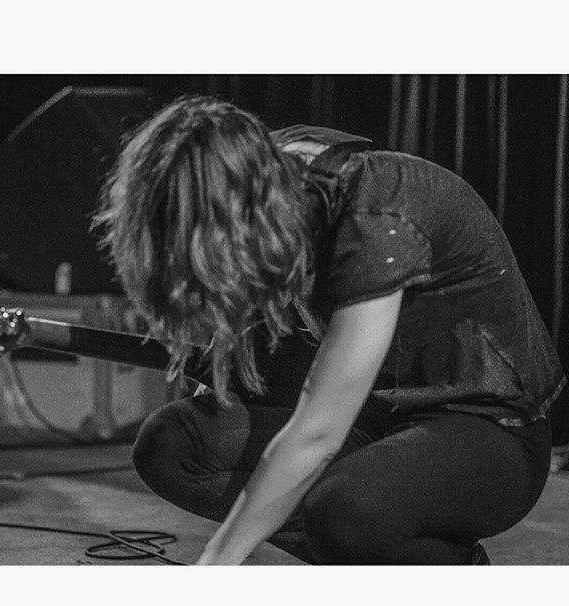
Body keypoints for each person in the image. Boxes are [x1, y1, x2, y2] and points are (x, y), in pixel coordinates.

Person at [94, 95, 566, 565]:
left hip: (489, 432)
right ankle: (382, 556)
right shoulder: (265, 173)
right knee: (172, 445)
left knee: (344, 514)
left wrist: (212, 567)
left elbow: (317, 435)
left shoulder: (376, 217)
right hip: (376, 414)